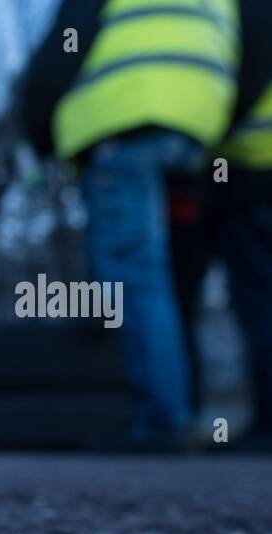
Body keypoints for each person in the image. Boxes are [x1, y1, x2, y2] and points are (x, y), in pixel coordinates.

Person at [20, 0, 241, 451]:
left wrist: (37, 135)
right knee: (173, 275)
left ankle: (162, 419)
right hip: (199, 122)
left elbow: (58, 58)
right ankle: (184, 409)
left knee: (134, 273)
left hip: (126, 123)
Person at [171, 0, 272, 450]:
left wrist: (200, 128)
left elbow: (242, 74)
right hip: (236, 172)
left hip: (251, 168)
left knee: (258, 294)